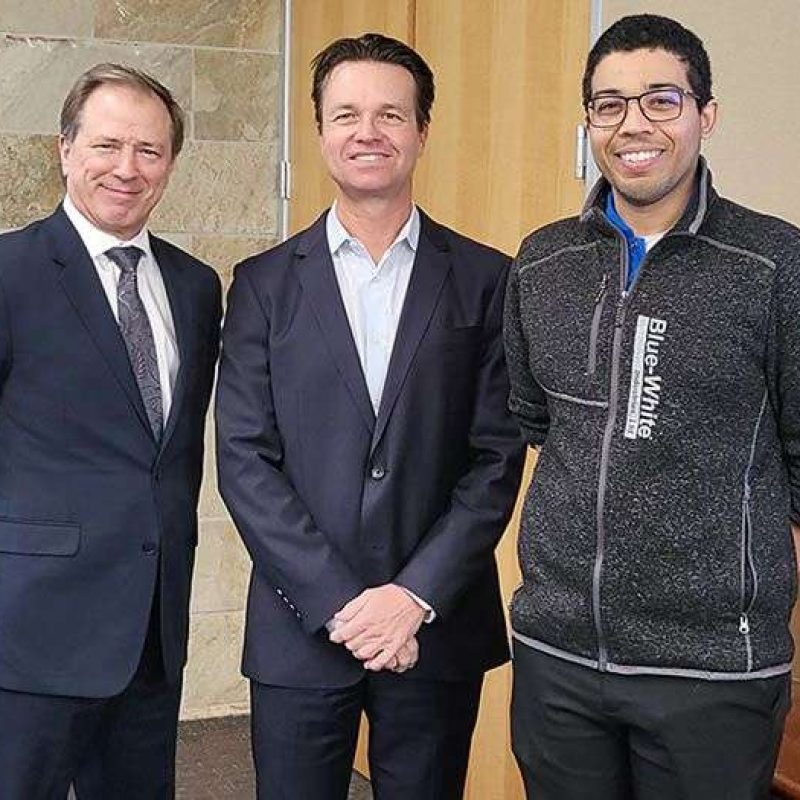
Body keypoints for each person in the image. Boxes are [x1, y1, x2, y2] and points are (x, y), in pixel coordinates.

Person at [216, 32, 524, 800]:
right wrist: (343, 606)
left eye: (391, 114)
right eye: (347, 113)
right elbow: (245, 461)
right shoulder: (260, 285)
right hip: (301, 622)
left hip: (435, 623)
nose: (368, 131)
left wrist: (410, 598)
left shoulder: (487, 279)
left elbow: (496, 459)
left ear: (422, 132)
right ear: (319, 131)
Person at [504, 13, 800, 800]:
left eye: (662, 100)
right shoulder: (544, 262)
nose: (633, 125)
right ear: (590, 122)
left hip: (712, 671)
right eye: (609, 104)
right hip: (559, 654)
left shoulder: (773, 264)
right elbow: (538, 420)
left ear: (706, 115)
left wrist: (743, 580)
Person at [0, 63, 222, 799]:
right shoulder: (10, 271)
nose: (127, 169)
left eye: (149, 151)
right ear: (65, 150)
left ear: (170, 164)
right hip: (29, 635)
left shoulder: (195, 287)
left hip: (152, 635)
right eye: (106, 146)